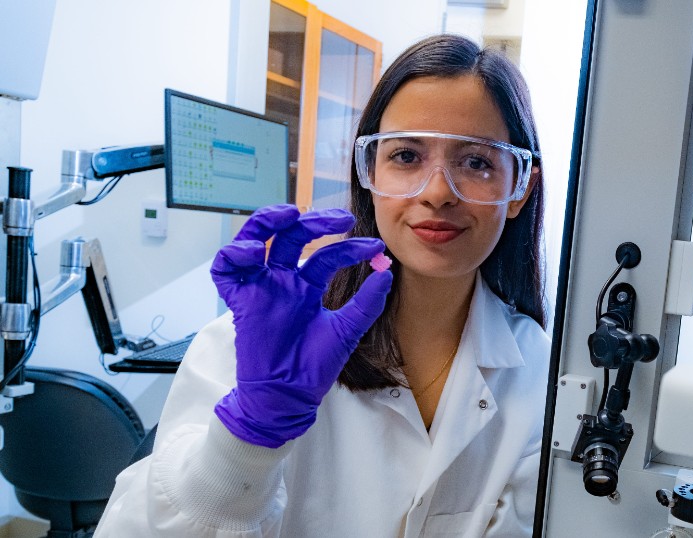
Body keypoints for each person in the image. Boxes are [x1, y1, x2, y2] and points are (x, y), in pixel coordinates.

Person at [95, 33, 548, 537]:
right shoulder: (258, 346)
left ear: (519, 187)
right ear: (368, 172)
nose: (438, 192)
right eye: (406, 157)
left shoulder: (539, 370)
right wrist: (248, 441)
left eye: (477, 162)